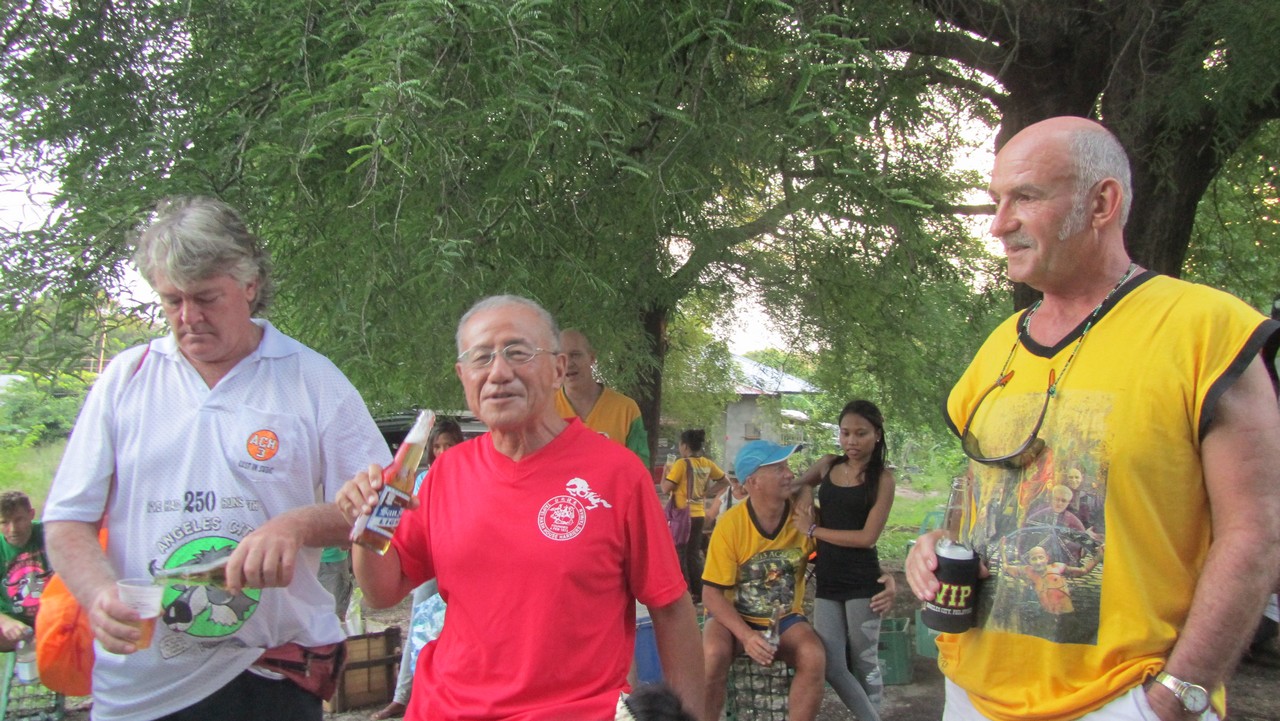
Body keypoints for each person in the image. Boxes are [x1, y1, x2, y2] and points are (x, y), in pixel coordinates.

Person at [905, 117, 1280, 721]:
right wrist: (932, 548)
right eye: (997, 200)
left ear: (1101, 203)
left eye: (1025, 197)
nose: (999, 224)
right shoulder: (999, 346)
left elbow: (1258, 531)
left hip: (1124, 701)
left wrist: (1177, 696)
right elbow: (976, 504)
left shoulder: (1207, 331)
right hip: (971, 695)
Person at [42, 197, 391, 721]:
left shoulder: (310, 378)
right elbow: (68, 519)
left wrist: (296, 525)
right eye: (172, 300)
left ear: (249, 284)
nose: (189, 318)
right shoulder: (126, 379)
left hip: (268, 677)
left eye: (206, 298)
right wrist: (98, 594)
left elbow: (385, 507)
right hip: (140, 689)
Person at [337, 295, 703, 720]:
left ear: (558, 369)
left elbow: (670, 607)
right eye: (481, 357)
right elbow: (382, 591)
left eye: (517, 352)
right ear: (463, 376)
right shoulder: (446, 472)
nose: (498, 372)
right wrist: (368, 521)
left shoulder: (616, 474)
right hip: (445, 708)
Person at [701, 440, 825, 721]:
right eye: (779, 469)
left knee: (813, 656)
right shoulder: (730, 525)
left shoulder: (803, 517)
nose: (790, 474)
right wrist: (746, 636)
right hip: (732, 618)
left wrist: (807, 490)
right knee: (713, 655)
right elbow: (711, 595)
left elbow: (835, 555)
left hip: (784, 618)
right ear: (753, 481)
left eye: (788, 467)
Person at [793, 400, 896, 721]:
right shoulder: (827, 465)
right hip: (828, 579)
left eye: (861, 433)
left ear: (877, 435)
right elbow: (798, 484)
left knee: (864, 662)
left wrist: (814, 530)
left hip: (863, 581)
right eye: (845, 433)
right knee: (833, 665)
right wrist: (807, 492)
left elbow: (867, 538)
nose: (851, 441)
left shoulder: (883, 479)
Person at [371, 419, 464, 721]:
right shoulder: (422, 478)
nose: (443, 451)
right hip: (428, 560)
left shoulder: (468, 474)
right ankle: (403, 696)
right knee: (420, 625)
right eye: (438, 446)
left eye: (449, 444)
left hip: (460, 560)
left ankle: (446, 693)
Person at [556, 328, 651, 465]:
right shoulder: (544, 410)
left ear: (592, 358)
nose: (569, 364)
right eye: (561, 358)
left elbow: (640, 468)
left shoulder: (626, 409)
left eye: (575, 355)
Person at [661, 429, 726, 602]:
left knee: (680, 553)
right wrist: (707, 492)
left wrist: (665, 474)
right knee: (694, 554)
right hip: (699, 514)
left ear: (684, 446)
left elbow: (665, 488)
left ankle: (685, 591)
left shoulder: (681, 464)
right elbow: (724, 481)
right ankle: (699, 591)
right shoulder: (707, 463)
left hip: (683, 516)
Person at [0, 490, 49, 651]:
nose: (13, 529)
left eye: (19, 519)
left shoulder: (48, 534)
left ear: (31, 514)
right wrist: (5, 621)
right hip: (15, 623)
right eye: (4, 523)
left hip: (54, 614)